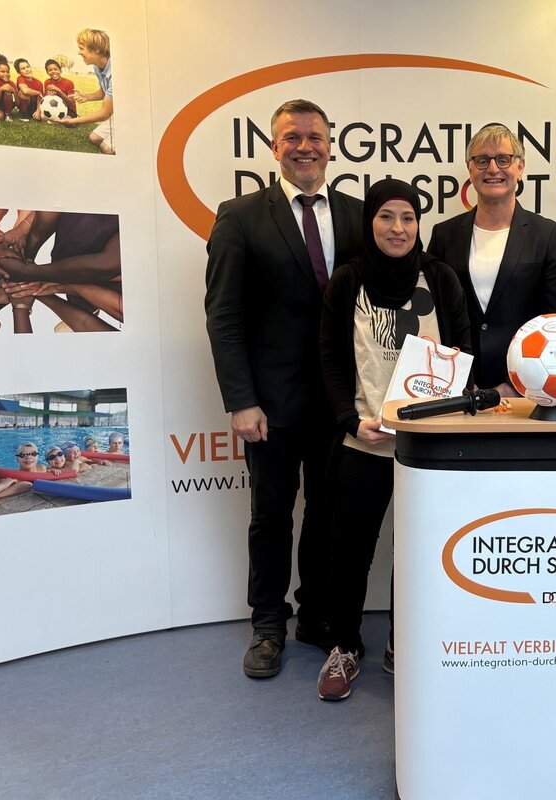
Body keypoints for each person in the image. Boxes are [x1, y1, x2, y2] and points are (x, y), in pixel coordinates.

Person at [204, 99, 363, 679]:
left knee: (326, 515)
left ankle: (315, 616)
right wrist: (241, 400)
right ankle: (268, 625)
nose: (304, 147)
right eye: (292, 137)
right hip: (269, 404)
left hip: (340, 402)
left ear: (331, 146)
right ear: (274, 147)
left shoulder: (358, 215)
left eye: (315, 137)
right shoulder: (240, 216)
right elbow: (223, 314)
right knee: (270, 517)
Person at [316, 179, 472, 702]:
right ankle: (344, 646)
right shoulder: (347, 281)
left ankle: (402, 644)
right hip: (364, 441)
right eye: (386, 216)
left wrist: (443, 418)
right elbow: (331, 359)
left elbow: (462, 351)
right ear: (370, 223)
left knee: (418, 554)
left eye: (408, 217)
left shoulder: (440, 278)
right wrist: (348, 420)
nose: (398, 228)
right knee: (349, 553)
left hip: (425, 451)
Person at [427, 124, 556, 394]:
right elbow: (432, 316)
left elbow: (555, 321)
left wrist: (515, 385)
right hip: (455, 387)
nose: (493, 169)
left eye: (503, 159)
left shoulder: (547, 235)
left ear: (520, 167)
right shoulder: (443, 235)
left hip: (524, 390)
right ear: (470, 169)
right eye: (482, 160)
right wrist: (458, 381)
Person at [54, 29, 113, 154]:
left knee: (106, 148)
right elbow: (104, 92)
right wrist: (86, 97)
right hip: (118, 115)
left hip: (132, 116)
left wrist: (72, 121)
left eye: (81, 48)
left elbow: (104, 114)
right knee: (94, 138)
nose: (79, 52)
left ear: (96, 50)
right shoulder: (97, 67)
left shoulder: (115, 71)